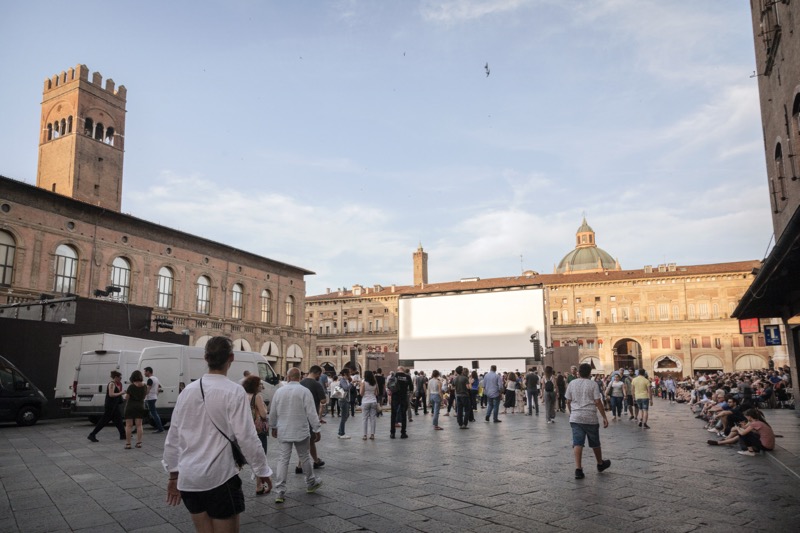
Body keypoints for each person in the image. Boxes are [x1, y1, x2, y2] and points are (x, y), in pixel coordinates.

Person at [164, 336, 273, 532]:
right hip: (220, 477)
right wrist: (262, 470)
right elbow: (247, 437)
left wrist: (173, 475)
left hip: (189, 478)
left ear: (205, 357)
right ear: (231, 358)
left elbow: (173, 437)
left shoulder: (187, 391)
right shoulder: (234, 391)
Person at [269, 367, 322, 504]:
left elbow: (273, 411)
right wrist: (316, 429)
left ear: (287, 377)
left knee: (283, 459)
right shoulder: (304, 391)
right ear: (299, 377)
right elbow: (311, 412)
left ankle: (279, 491)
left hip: (284, 429)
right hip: (301, 430)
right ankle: (311, 482)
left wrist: (273, 426)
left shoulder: (279, 392)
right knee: (304, 456)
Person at [565, 363, 611, 479]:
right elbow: (597, 402)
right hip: (590, 417)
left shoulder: (572, 383)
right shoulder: (593, 384)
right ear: (590, 373)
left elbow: (568, 401)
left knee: (577, 443)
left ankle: (578, 469)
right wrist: (604, 417)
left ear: (578, 372)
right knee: (595, 442)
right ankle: (600, 463)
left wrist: (572, 413)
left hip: (576, 417)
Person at [242, 375, 269, 495]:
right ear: (255, 385)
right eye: (260, 384)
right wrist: (265, 408)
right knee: (261, 456)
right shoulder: (257, 396)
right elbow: (263, 415)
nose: (262, 386)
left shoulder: (244, 395)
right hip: (258, 430)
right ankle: (259, 485)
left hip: (247, 429)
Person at [298, 365, 327, 469]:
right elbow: (323, 401)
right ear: (318, 373)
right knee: (310, 439)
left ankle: (314, 461)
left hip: (300, 415)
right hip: (311, 414)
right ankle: (301, 465)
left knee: (305, 440)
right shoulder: (317, 384)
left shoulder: (300, 383)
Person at [87, 370, 126, 442]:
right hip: (110, 406)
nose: (121, 379)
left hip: (114, 405)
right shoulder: (112, 384)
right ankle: (92, 434)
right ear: (116, 377)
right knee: (103, 421)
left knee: (118, 420)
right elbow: (111, 394)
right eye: (120, 378)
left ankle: (123, 434)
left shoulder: (114, 384)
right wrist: (121, 393)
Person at [124, 370, 147, 449]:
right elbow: (144, 396)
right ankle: (139, 443)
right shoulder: (144, 386)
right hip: (140, 406)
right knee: (139, 425)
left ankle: (128, 444)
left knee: (128, 425)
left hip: (130, 406)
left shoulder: (131, 386)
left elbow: (126, 397)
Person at [390, 366, 413, 438]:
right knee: (403, 414)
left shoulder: (394, 376)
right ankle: (403, 433)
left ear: (398, 370)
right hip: (403, 397)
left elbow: (389, 386)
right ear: (403, 370)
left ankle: (392, 433)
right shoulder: (407, 376)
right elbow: (411, 387)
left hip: (395, 397)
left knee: (393, 414)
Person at [144, 366, 165, 434]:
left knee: (154, 413)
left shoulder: (150, 379)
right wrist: (156, 394)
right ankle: (160, 427)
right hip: (154, 397)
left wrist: (143, 396)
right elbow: (158, 388)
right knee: (153, 412)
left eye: (145, 371)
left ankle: (160, 428)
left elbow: (148, 389)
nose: (144, 373)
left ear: (148, 371)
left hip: (150, 398)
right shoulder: (156, 378)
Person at [360, 370, 379, 440]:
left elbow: (361, 393)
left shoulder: (363, 382)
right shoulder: (374, 382)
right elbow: (377, 393)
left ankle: (365, 435)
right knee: (373, 419)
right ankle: (372, 434)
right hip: (373, 401)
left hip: (365, 401)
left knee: (364, 419)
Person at [336, 369, 353, 439]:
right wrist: (351, 384)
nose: (350, 374)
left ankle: (340, 431)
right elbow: (346, 388)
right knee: (344, 417)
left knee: (346, 415)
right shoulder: (343, 380)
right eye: (349, 373)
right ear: (345, 374)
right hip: (343, 400)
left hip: (345, 400)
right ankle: (342, 433)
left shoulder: (345, 380)